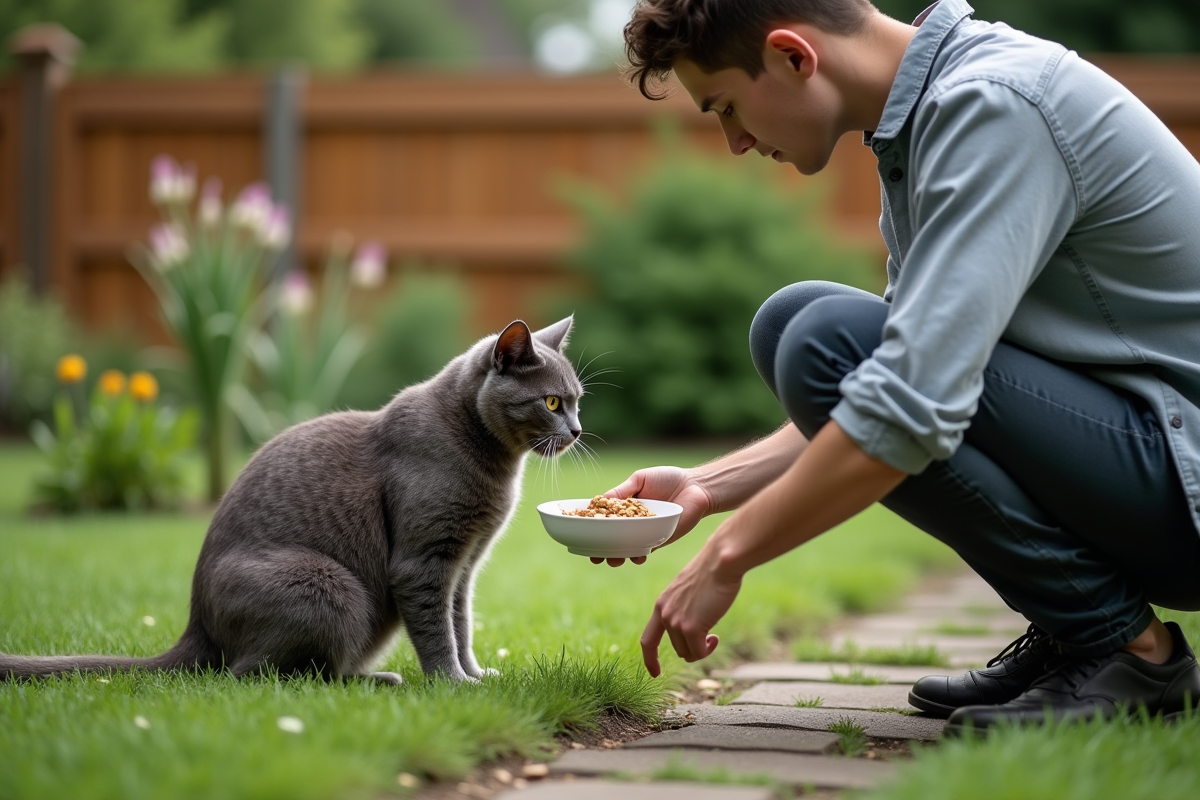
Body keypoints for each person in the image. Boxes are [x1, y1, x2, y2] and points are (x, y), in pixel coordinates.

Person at [601, 0, 1200, 735]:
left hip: (1184, 476)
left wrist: (729, 554)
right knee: (794, 324)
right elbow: (892, 379)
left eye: (725, 106)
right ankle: (1077, 630)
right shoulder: (926, 122)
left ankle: (1127, 648)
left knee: (822, 335)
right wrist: (703, 487)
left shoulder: (993, 107)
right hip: (1149, 462)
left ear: (794, 55)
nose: (734, 141)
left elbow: (909, 399)